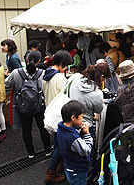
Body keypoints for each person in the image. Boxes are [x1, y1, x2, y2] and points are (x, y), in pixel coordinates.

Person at [5, 50, 52, 158]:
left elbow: (7, 84)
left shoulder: (16, 73)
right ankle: (48, 150)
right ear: (39, 61)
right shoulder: (43, 73)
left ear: (27, 59)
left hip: (22, 106)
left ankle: (31, 153)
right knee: (42, 127)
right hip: (39, 106)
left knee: (26, 129)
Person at [43, 50, 73, 184]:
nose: (66, 68)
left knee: (58, 142)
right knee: (60, 145)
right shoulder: (60, 78)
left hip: (50, 111)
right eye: (66, 65)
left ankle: (60, 166)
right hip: (60, 114)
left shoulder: (45, 75)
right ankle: (50, 172)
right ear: (61, 63)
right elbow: (67, 95)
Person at [57, 100, 93, 185]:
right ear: (73, 118)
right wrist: (87, 134)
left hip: (69, 166)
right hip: (78, 170)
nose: (82, 120)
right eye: (81, 117)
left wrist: (80, 130)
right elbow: (86, 150)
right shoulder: (72, 138)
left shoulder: (61, 128)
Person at [68, 62, 110, 129]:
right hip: (85, 126)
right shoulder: (97, 94)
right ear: (102, 77)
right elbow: (99, 110)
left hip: (70, 121)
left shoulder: (75, 79)